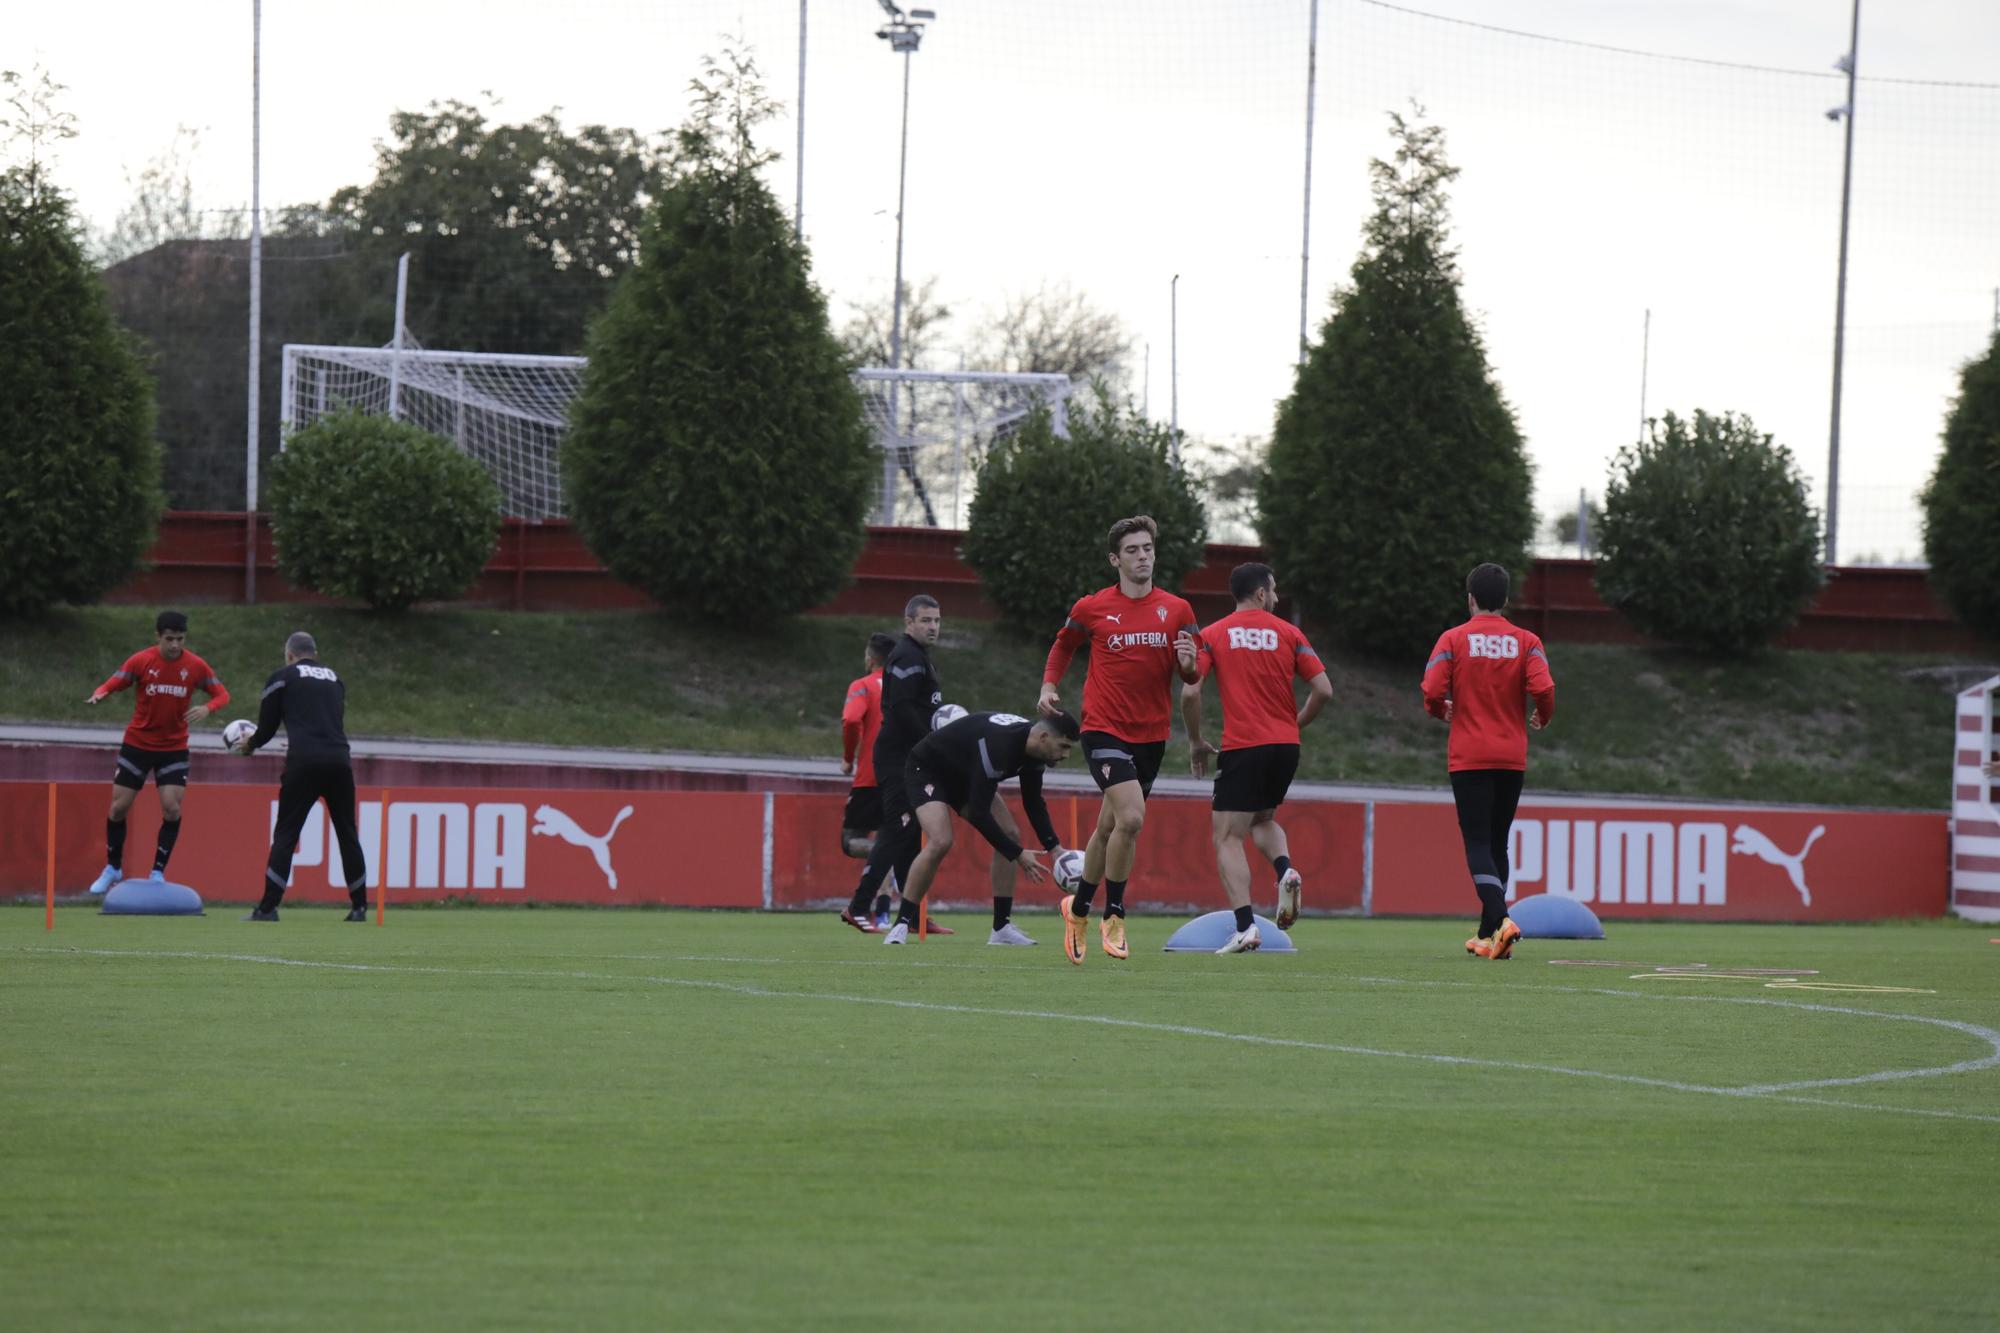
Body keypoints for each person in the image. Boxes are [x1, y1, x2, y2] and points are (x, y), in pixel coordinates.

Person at [1041, 515, 1201, 965]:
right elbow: (1063, 645)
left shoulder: (1179, 610)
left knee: (1109, 828)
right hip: (1103, 727)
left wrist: (1190, 665)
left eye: (1147, 548)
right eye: (1132, 550)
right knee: (1131, 819)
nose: (1142, 556)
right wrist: (1048, 686)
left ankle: (1077, 908)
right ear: (1115, 559)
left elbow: (1195, 672)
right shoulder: (1092, 607)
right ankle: (1114, 913)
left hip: (1151, 735)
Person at [1178, 563, 1333, 954]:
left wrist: (1196, 740)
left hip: (1244, 746)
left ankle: (1246, 926)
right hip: (1285, 747)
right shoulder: (1290, 633)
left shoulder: (1213, 635)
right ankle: (1286, 871)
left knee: (1227, 836)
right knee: (1263, 819)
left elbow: (1191, 693)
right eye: (1275, 591)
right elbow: (1324, 690)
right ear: (1261, 593)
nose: (1277, 598)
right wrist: (1294, 725)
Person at [1421, 563, 1555, 960]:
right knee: (1498, 844)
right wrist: (1542, 716)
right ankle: (1486, 935)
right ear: (1507, 600)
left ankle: (1501, 919)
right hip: (1511, 757)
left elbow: (1430, 688)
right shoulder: (1527, 640)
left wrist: (1437, 709)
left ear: (1471, 599)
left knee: (1477, 842)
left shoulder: (1453, 639)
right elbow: (1544, 687)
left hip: (1469, 756)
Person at [880, 710, 1080, 945]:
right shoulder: (1000, 747)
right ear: (1044, 736)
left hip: (967, 774)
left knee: (1010, 833)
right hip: (929, 770)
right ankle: (902, 924)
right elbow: (978, 812)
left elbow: (1033, 801)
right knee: (940, 840)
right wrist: (1017, 854)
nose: (1066, 754)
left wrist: (1054, 848)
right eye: (1064, 746)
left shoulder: (1036, 751)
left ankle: (1001, 928)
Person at [82, 610, 231, 894]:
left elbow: (222, 694)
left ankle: (157, 873)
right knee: (118, 808)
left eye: (180, 639)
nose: (175, 645)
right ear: (158, 637)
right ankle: (113, 867)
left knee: (172, 808)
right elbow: (117, 680)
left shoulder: (196, 666)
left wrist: (207, 707)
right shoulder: (142, 660)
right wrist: (101, 691)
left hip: (173, 748)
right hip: (137, 743)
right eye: (170, 639)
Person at [231, 631, 369, 923]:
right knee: (347, 832)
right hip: (339, 759)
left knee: (286, 834)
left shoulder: (282, 677)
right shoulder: (335, 678)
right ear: (315, 655)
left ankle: (268, 909)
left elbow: (266, 728)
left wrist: (250, 745)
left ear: (289, 654)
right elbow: (327, 720)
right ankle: (359, 908)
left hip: (304, 762)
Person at [842, 596, 953, 936]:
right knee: (896, 829)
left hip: (910, 757)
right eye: (925, 620)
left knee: (909, 835)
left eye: (936, 620)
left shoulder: (919, 656)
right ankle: (859, 907)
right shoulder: (906, 656)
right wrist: (932, 742)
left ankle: (913, 913)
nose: (932, 626)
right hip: (897, 758)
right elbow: (903, 709)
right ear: (908, 623)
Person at [840, 632, 900, 924]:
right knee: (892, 837)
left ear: (871, 658)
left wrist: (848, 758)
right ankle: (886, 913)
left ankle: (893, 855)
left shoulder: (863, 686)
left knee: (851, 841)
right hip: (902, 777)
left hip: (870, 776)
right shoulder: (903, 687)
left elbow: (851, 720)